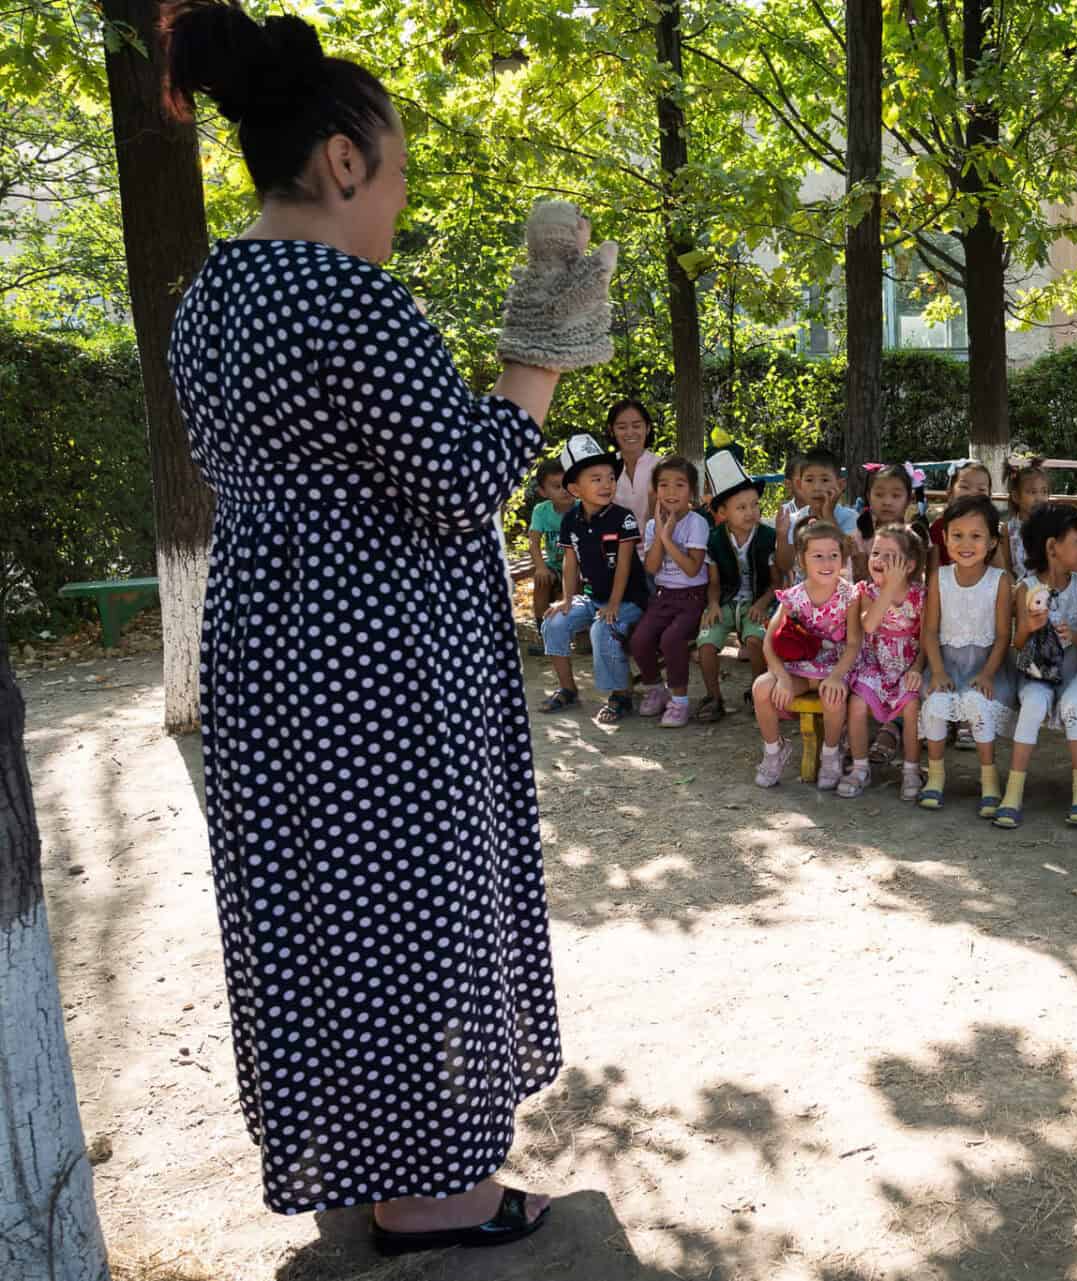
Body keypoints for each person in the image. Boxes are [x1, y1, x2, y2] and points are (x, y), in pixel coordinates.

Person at [163, 0, 614, 1251]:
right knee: (414, 894)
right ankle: (435, 1194)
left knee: (324, 900)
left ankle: (366, 1160)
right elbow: (466, 478)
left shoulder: (214, 297)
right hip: (380, 647)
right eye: (397, 172)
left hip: (270, 637)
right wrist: (544, 345)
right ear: (343, 160)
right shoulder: (342, 294)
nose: (399, 201)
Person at [998, 501, 1077, 828]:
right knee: (1032, 703)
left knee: (1073, 705)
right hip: (1038, 673)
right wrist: (1028, 626)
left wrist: (1076, 635)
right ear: (1052, 548)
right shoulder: (1026, 588)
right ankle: (1013, 791)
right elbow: (1017, 643)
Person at [541, 436, 648, 724]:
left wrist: (614, 603)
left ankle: (621, 695)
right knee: (554, 621)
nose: (606, 484)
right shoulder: (570, 520)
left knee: (603, 628)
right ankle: (568, 688)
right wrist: (565, 599)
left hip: (629, 599)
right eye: (596, 479)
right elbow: (570, 561)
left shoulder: (623, 518)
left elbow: (625, 564)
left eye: (611, 478)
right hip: (592, 596)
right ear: (575, 488)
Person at [919, 495, 1015, 812]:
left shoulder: (1000, 582)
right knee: (935, 702)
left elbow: (1003, 635)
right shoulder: (939, 579)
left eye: (976, 536)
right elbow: (930, 631)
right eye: (957, 535)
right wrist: (938, 671)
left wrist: (987, 674)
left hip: (988, 666)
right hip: (945, 664)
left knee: (977, 703)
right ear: (944, 538)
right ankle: (935, 776)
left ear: (991, 542)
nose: (966, 543)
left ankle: (989, 780)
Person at [753, 522, 861, 787]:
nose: (827, 562)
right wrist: (782, 677)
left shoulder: (849, 595)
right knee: (761, 687)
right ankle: (774, 751)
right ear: (802, 560)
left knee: (833, 695)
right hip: (800, 668)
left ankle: (831, 753)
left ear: (842, 558)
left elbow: (854, 643)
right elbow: (769, 643)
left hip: (836, 668)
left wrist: (836, 677)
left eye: (833, 555)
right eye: (818, 555)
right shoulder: (793, 597)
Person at [844, 525, 928, 800]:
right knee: (857, 703)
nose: (879, 560)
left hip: (908, 666)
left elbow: (927, 638)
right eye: (876, 552)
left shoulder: (920, 595)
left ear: (910, 564)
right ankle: (859, 767)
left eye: (890, 556)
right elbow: (869, 625)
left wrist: (917, 668)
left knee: (912, 705)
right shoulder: (866, 592)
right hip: (875, 665)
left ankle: (911, 769)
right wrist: (889, 587)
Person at [626, 457, 709, 727]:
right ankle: (656, 689)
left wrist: (666, 540)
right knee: (639, 639)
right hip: (662, 597)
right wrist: (660, 533)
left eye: (680, 485)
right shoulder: (652, 525)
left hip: (692, 598)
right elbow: (651, 567)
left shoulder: (697, 523)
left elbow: (692, 570)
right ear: (655, 491)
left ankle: (680, 701)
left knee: (672, 639)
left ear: (692, 491)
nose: (671, 492)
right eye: (664, 485)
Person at [695, 448, 775, 722]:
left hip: (759, 600)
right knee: (706, 642)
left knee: (755, 640)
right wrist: (713, 604)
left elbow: (777, 582)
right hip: (727, 600)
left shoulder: (768, 536)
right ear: (722, 512)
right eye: (741, 507)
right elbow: (714, 582)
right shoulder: (715, 539)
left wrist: (763, 603)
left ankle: (757, 693)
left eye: (754, 504)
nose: (750, 512)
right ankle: (713, 697)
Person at [774, 448, 860, 581]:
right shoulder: (794, 519)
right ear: (799, 484)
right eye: (809, 480)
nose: (817, 487)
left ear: (840, 485)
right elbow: (786, 565)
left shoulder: (851, 517)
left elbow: (845, 554)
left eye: (825, 480)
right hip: (803, 595)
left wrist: (828, 514)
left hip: (839, 591)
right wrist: (782, 536)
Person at [525, 458, 574, 654]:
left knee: (570, 589)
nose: (564, 490)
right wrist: (540, 567)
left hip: (579, 566)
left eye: (567, 484)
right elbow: (533, 543)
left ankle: (573, 635)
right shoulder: (541, 511)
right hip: (554, 565)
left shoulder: (582, 507)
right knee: (541, 582)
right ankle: (544, 635)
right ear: (543, 492)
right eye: (556, 487)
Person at [927, 459, 997, 569]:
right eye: (965, 487)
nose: (973, 493)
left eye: (981, 489)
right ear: (950, 493)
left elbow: (1001, 569)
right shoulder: (937, 528)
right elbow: (933, 573)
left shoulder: (991, 528)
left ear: (989, 496)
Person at [607, 398, 660, 519]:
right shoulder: (604, 467)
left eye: (636, 426)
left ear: (648, 428)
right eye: (622, 427)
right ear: (611, 431)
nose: (630, 432)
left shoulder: (662, 466)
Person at [1003, 455, 1051, 577]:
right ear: (1016, 497)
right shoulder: (1008, 529)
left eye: (1044, 491)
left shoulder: (1052, 525)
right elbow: (1006, 567)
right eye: (1032, 492)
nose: (1039, 498)